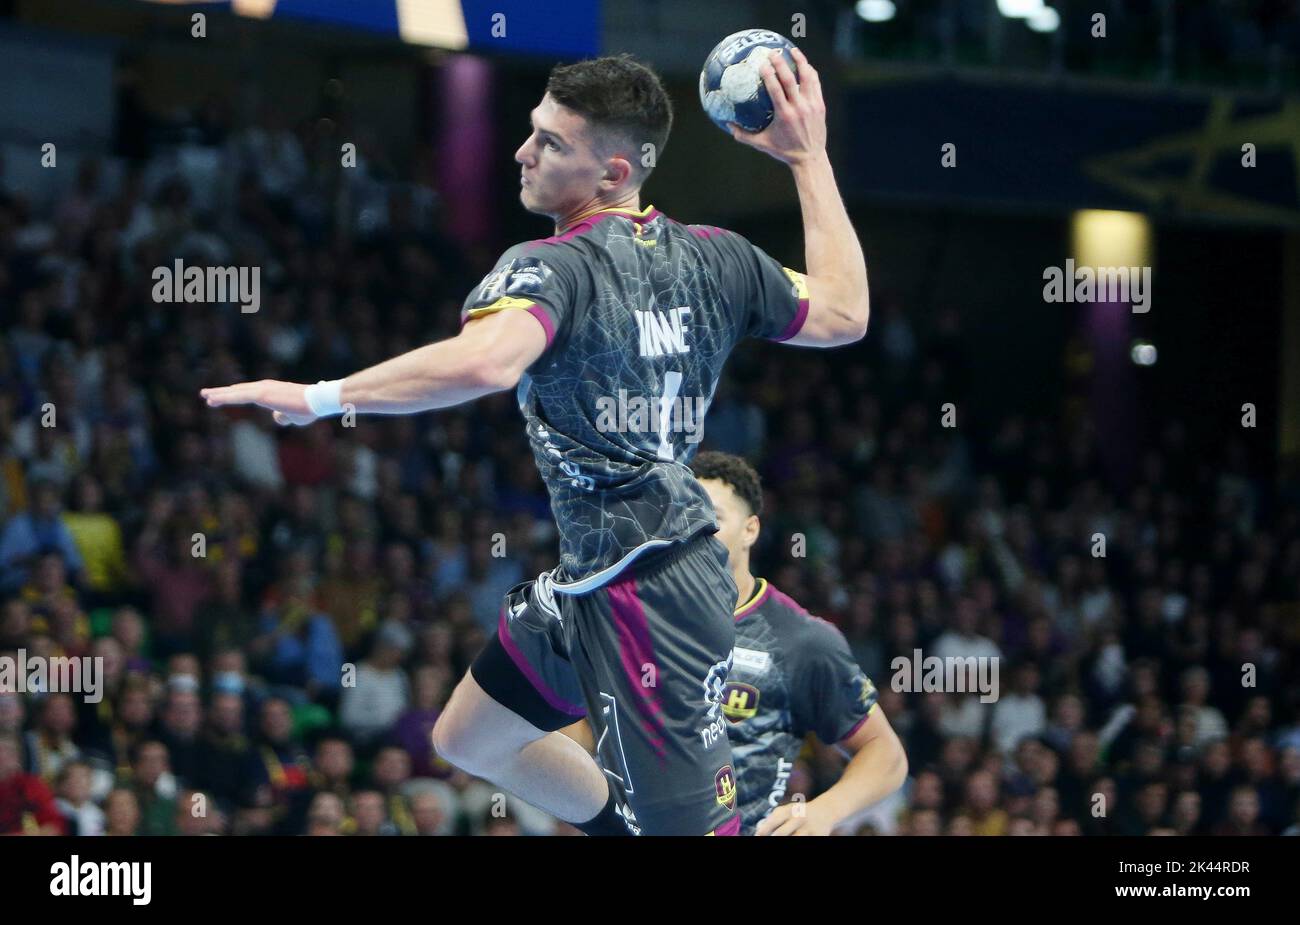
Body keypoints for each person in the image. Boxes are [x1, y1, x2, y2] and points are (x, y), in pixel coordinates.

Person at [200, 48, 870, 835]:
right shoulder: (717, 258)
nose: (523, 151)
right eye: (531, 131)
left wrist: (320, 396)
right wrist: (808, 158)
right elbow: (843, 310)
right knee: (472, 737)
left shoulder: (554, 266)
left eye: (551, 142)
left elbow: (487, 360)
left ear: (613, 171)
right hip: (594, 577)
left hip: (651, 595)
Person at [562, 452, 906, 834]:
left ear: (751, 529)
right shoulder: (634, 617)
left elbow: (885, 753)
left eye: (714, 517)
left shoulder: (801, 639)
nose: (695, 529)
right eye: (685, 515)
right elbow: (590, 731)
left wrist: (823, 812)